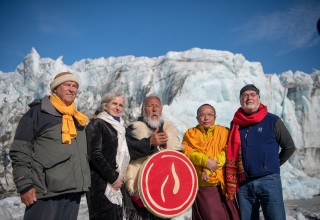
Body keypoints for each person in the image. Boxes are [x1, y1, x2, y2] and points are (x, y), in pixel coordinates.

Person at [9, 72, 91, 220]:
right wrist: (25, 185)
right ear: (55, 89)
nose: (72, 89)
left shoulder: (77, 117)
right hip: (46, 192)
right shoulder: (38, 112)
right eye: (67, 85)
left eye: (75, 86)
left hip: (73, 192)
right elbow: (20, 151)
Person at [225, 84, 296, 220]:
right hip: (244, 183)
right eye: (245, 95)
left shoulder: (272, 120)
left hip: (269, 180)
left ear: (258, 98)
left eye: (252, 94)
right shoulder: (235, 124)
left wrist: (273, 165)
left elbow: (289, 147)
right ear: (240, 100)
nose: (249, 98)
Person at [125, 94, 182, 219]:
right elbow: (126, 151)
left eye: (157, 106)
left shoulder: (169, 131)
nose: (154, 109)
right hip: (140, 194)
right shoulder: (132, 129)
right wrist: (149, 142)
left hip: (164, 193)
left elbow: (179, 160)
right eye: (150, 106)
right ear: (143, 109)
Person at [182, 104, 240, 220]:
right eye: (202, 115)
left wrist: (209, 168)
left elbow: (228, 152)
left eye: (209, 115)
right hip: (203, 186)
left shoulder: (224, 132)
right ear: (197, 118)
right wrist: (205, 161)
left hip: (223, 185)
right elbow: (186, 153)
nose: (206, 118)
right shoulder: (190, 134)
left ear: (215, 117)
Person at [85, 92, 133, 219]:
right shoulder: (97, 124)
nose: (117, 108)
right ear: (105, 105)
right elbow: (94, 154)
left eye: (120, 105)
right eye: (114, 104)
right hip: (100, 184)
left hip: (115, 184)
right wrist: (113, 178)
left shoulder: (120, 127)